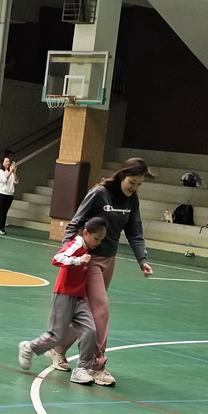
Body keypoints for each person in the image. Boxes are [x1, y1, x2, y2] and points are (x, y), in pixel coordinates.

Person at [61, 157, 155, 386]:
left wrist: (142, 260)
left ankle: (57, 347)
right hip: (89, 258)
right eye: (132, 182)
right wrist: (67, 254)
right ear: (123, 175)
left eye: (139, 184)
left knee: (88, 311)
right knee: (100, 308)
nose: (134, 187)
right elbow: (75, 223)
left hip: (109, 260)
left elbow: (134, 230)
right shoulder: (99, 193)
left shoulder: (132, 199)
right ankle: (96, 364)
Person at [18, 216, 107, 384]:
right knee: (56, 336)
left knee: (89, 331)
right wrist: (77, 260)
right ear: (86, 233)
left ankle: (81, 369)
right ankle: (28, 348)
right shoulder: (76, 244)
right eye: (96, 238)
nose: (98, 243)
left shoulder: (87, 248)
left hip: (79, 297)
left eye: (101, 240)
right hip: (64, 294)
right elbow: (57, 258)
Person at [0, 155, 18, 235]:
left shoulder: (11, 172)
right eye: (6, 161)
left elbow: (16, 181)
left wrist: (14, 172)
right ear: (3, 163)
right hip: (1, 194)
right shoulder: (0, 171)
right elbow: (4, 180)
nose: (8, 163)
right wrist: (10, 172)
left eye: (9, 162)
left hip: (9, 195)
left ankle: (2, 228)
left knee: (4, 212)